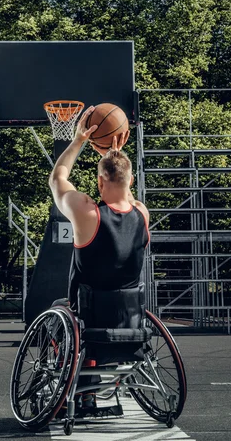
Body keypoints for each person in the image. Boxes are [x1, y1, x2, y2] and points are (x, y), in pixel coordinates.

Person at [48, 105, 150, 412]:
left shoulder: (87, 212)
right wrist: (115, 156)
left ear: (99, 182)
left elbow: (57, 179)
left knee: (59, 309)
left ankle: (76, 388)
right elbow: (127, 199)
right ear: (131, 181)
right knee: (95, 304)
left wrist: (79, 140)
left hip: (88, 319)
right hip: (131, 318)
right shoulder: (142, 214)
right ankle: (93, 392)